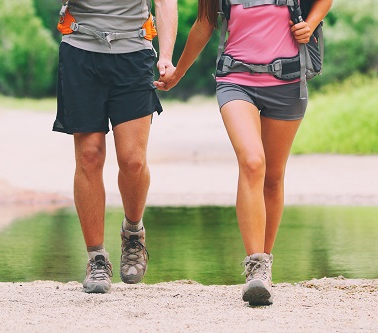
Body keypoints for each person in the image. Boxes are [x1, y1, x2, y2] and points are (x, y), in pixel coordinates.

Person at [154, 0, 332, 305]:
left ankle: (264, 267)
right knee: (252, 161)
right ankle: (255, 266)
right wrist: (178, 73)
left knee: (273, 178)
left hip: (288, 83)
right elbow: (204, 24)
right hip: (235, 81)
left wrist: (312, 22)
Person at [53, 0, 178, 293]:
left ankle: (133, 232)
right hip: (80, 48)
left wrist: (167, 56)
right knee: (89, 155)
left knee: (133, 160)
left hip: (134, 52)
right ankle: (97, 259)